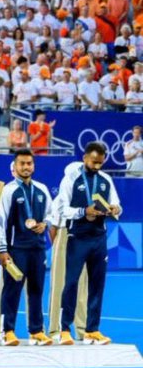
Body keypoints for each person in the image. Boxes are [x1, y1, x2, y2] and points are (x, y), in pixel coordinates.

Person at [52, 141, 120, 345]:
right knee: (71, 283)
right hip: (77, 237)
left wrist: (116, 209)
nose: (97, 166)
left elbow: (116, 203)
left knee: (97, 284)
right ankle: (64, 329)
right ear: (84, 158)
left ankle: (92, 330)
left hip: (99, 237)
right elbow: (63, 210)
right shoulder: (70, 179)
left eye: (100, 163)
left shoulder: (106, 179)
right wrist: (84, 212)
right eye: (93, 162)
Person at [0, 149, 56, 346]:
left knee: (36, 290)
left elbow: (52, 214)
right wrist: (2, 250)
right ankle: (7, 331)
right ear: (15, 166)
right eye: (22, 163)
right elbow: (0, 222)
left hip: (38, 248)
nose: (26, 167)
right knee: (12, 290)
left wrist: (45, 223)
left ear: (33, 166)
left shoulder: (42, 189)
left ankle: (36, 331)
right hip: (16, 248)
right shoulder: (7, 190)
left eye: (29, 163)